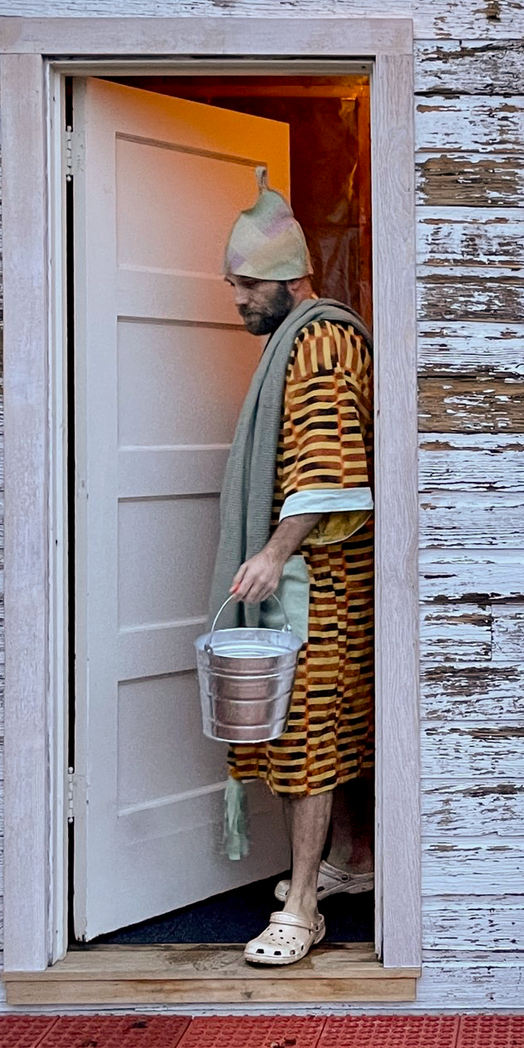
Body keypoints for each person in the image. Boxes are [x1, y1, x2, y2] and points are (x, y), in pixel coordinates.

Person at [212, 171, 377, 968]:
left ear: (284, 280)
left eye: (243, 285)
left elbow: (329, 463)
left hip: (324, 577)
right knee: (323, 732)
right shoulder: (302, 339)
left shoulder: (317, 341)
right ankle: (348, 862)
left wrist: (275, 552)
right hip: (319, 576)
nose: (237, 300)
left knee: (308, 735)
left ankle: (305, 904)